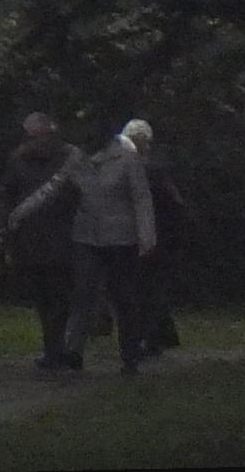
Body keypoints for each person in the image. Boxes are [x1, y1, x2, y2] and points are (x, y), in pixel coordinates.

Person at [66, 115, 158, 372]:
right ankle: (73, 349)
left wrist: (146, 237)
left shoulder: (127, 159)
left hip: (120, 238)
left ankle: (130, 353)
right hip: (86, 235)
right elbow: (59, 187)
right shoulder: (77, 159)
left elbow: (141, 198)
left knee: (124, 296)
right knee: (83, 292)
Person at [1, 113, 82, 369]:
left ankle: (58, 348)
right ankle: (54, 348)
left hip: (61, 239)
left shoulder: (69, 158)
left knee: (58, 298)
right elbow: (7, 196)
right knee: (45, 298)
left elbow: (83, 196)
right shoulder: (18, 160)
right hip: (35, 241)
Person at [125, 118, 185, 350]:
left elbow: (172, 206)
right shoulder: (150, 171)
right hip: (149, 236)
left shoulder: (150, 172)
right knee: (148, 290)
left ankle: (152, 337)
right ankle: (159, 336)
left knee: (147, 290)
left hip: (153, 238)